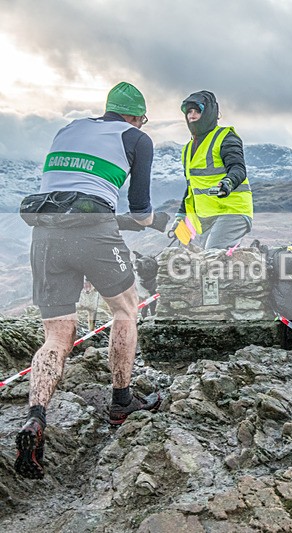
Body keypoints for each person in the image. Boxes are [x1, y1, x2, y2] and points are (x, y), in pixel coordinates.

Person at [15, 82, 165, 479]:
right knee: (126, 308)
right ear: (137, 116)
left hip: (45, 231)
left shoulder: (68, 129)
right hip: (93, 229)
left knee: (56, 334)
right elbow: (142, 211)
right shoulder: (137, 138)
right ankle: (121, 402)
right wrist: (158, 222)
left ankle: (35, 417)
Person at [170, 91, 253, 250]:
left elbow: (238, 168)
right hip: (206, 217)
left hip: (232, 210)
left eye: (197, 111)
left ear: (209, 113)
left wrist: (228, 183)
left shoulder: (225, 137)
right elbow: (192, 188)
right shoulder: (187, 150)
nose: (192, 116)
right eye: (189, 112)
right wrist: (181, 217)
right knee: (207, 262)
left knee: (212, 255)